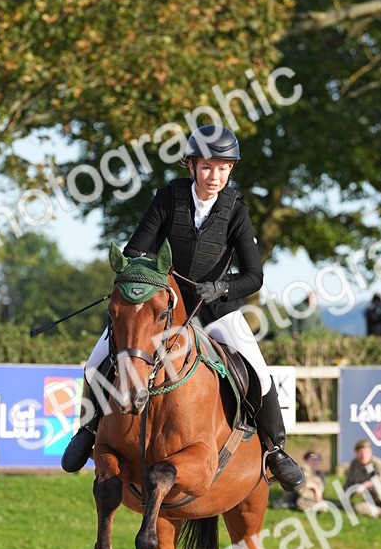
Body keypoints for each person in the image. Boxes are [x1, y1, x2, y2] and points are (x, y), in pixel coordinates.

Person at [60, 125, 305, 491]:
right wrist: (150, 282)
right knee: (97, 359)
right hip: (162, 309)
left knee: (258, 368)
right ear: (191, 166)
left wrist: (221, 286)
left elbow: (254, 276)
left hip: (215, 308)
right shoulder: (167, 199)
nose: (214, 176)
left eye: (223, 168)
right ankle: (88, 428)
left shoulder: (236, 210)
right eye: (207, 167)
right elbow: (136, 251)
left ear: (230, 171)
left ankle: (275, 450)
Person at [343, 439, 381, 520]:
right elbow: (349, 483)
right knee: (357, 507)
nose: (363, 456)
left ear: (370, 452)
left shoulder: (377, 463)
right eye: (360, 453)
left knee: (378, 487)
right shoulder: (354, 465)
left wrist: (364, 485)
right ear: (356, 453)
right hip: (371, 500)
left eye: (366, 453)